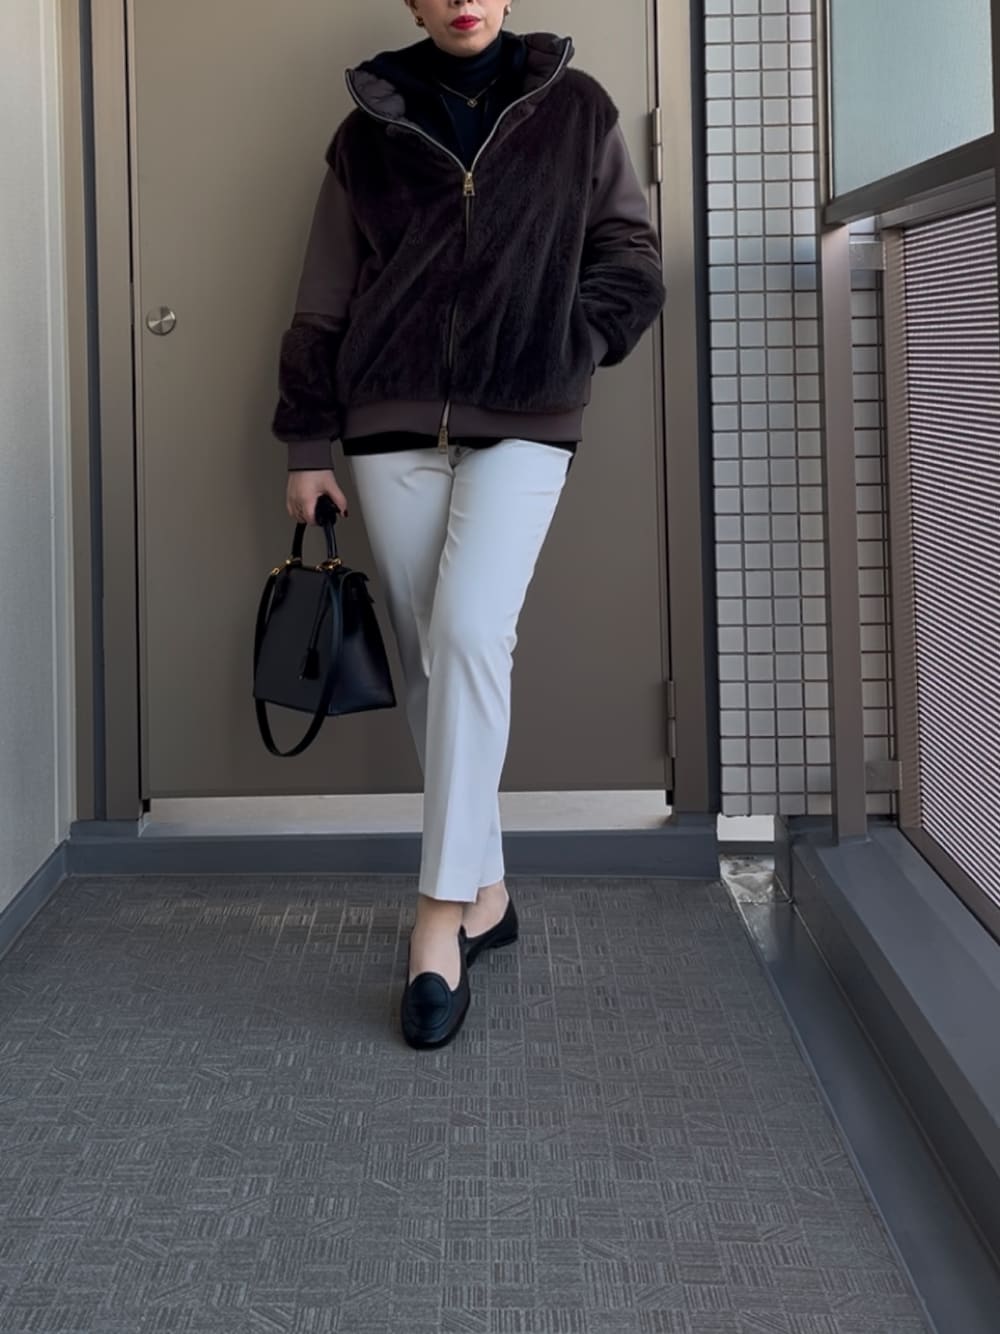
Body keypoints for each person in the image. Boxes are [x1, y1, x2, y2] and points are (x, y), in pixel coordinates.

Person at [271, 0, 665, 1050]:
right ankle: (487, 889)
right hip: (386, 421)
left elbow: (630, 253)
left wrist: (572, 341)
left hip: (528, 416)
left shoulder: (576, 108)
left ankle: (438, 917)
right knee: (427, 656)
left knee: (470, 632)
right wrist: (307, 442)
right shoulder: (368, 126)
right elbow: (322, 295)